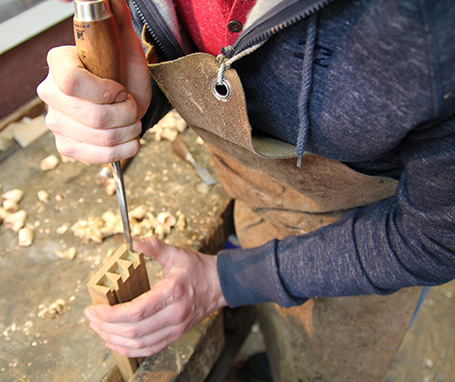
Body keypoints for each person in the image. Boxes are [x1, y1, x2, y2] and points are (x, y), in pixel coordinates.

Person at [37, 0, 455, 380]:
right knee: (279, 339)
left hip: (371, 239)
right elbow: (200, 55)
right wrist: (124, 101)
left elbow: (439, 239)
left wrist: (224, 280)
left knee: (324, 368)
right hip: (255, 194)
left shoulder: (433, 27)